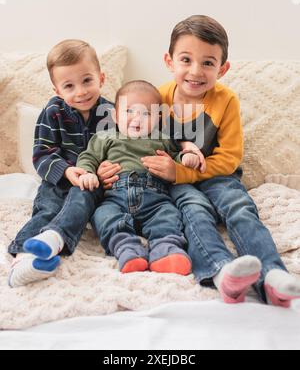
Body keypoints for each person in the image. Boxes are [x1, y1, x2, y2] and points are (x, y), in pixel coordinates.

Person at [102, 16, 300, 308]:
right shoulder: (156, 99)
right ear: (170, 61)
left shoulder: (226, 100)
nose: (196, 71)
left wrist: (182, 172)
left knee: (239, 207)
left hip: (216, 174)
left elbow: (229, 157)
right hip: (175, 180)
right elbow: (133, 143)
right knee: (193, 212)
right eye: (186, 59)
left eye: (208, 63)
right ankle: (220, 271)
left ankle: (271, 274)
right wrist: (106, 168)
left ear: (223, 68)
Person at [8, 39, 113, 287]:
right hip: (59, 177)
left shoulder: (110, 112)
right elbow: (41, 154)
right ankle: (23, 257)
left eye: (87, 80)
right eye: (69, 85)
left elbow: (117, 149)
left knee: (80, 203)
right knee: (47, 207)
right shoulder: (53, 111)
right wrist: (65, 170)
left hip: (90, 181)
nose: (81, 91)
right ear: (58, 90)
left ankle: (52, 243)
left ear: (101, 78)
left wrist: (107, 168)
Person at [79, 80, 207, 275]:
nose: (137, 118)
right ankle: (127, 249)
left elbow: (173, 158)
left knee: (168, 217)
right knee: (103, 216)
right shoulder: (105, 137)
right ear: (115, 115)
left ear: (158, 118)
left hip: (155, 197)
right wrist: (88, 172)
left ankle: (166, 251)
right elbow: (88, 156)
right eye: (129, 111)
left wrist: (185, 157)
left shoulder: (161, 139)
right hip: (115, 196)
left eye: (147, 113)